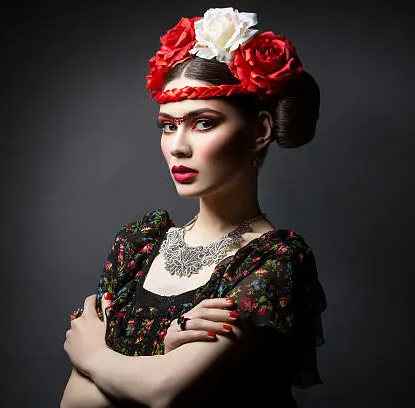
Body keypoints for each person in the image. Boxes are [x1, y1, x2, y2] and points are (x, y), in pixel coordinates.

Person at [61, 7, 327, 408]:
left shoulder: (272, 263)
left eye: (203, 122)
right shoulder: (139, 245)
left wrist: (94, 355)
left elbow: (163, 392)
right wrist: (160, 361)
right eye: (168, 125)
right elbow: (75, 402)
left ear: (260, 130)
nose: (178, 147)